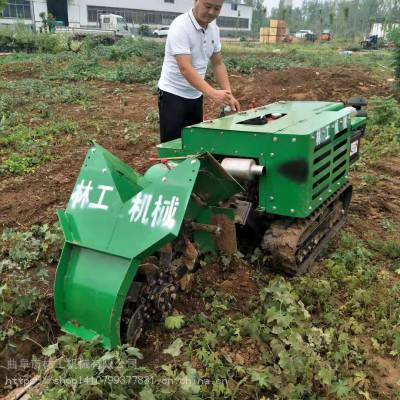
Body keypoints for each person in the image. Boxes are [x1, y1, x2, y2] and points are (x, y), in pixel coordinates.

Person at [157, 0, 240, 143]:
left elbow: (218, 63)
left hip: (196, 95)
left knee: (193, 141)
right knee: (172, 145)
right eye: (207, 6)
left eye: (217, 8)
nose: (212, 12)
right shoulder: (180, 26)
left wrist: (228, 94)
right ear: (196, 1)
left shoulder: (214, 28)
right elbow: (185, 68)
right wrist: (212, 92)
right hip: (173, 95)